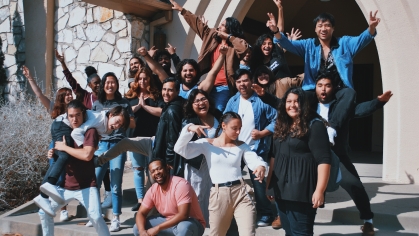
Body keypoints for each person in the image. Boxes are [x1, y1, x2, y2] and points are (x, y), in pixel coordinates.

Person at [268, 8, 381, 145]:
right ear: (315, 29)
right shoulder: (308, 45)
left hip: (338, 88)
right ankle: (295, 132)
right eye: (320, 26)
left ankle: (332, 128)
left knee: (350, 93)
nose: (323, 28)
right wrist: (275, 31)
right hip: (313, 87)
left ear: (333, 28)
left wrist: (371, 28)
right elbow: (287, 44)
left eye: (327, 25)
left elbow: (361, 40)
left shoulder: (344, 43)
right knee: (299, 97)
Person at [314, 70, 392, 235]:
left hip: (336, 154)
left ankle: (368, 221)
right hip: (313, 155)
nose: (323, 89)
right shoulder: (309, 104)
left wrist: (378, 102)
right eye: (320, 85)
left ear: (334, 88)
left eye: (327, 86)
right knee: (301, 184)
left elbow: (361, 109)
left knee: (355, 185)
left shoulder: (341, 105)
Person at [174, 112, 268, 236]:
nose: (238, 132)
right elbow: (180, 149)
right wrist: (189, 128)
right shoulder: (207, 144)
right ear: (223, 126)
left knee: (248, 233)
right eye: (234, 128)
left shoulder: (241, 145)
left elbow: (254, 160)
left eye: (240, 129)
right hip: (219, 194)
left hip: (241, 192)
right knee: (217, 234)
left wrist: (260, 166)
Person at [35, 105, 130, 216]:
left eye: (120, 125)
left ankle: (43, 196)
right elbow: (76, 133)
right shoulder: (99, 120)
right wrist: (85, 148)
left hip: (64, 125)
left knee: (61, 157)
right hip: (61, 125)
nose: (117, 126)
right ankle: (46, 192)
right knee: (64, 156)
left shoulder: (107, 128)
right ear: (111, 114)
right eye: (117, 121)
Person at [38, 100, 110, 236]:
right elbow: (59, 155)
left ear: (83, 114)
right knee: (43, 213)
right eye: (71, 116)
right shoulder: (63, 131)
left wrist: (65, 148)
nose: (74, 119)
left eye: (77, 115)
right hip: (64, 186)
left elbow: (87, 155)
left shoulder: (90, 131)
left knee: (96, 217)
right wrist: (52, 154)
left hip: (87, 184)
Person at [266, 87, 331, 235]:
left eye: (297, 101)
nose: (292, 105)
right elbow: (274, 156)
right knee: (289, 232)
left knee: (301, 233)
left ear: (304, 104)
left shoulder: (315, 125)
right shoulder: (281, 125)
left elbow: (324, 160)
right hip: (281, 189)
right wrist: (269, 184)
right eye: (289, 101)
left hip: (301, 191)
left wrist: (320, 190)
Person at [96, 77, 185, 177]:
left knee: (154, 184)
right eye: (164, 89)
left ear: (177, 91)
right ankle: (97, 161)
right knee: (125, 143)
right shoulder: (170, 105)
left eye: (170, 90)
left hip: (159, 149)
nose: (166, 93)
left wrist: (169, 161)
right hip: (155, 142)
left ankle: (97, 161)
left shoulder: (172, 110)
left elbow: (173, 139)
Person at [170, 0, 249, 111]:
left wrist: (228, 37)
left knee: (217, 110)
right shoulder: (212, 36)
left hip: (224, 87)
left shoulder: (234, 44)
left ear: (229, 29)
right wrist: (182, 10)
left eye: (222, 25)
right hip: (208, 84)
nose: (219, 27)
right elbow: (198, 24)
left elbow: (244, 48)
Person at [224, 69, 277, 227]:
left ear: (252, 82)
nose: (242, 84)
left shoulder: (261, 100)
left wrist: (263, 133)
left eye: (245, 81)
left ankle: (266, 214)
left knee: (259, 184)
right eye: (239, 81)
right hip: (235, 149)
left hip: (256, 149)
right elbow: (224, 122)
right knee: (230, 182)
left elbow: (277, 118)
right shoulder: (233, 101)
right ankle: (231, 214)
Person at [23, 65, 73, 222]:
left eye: (71, 94)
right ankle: (55, 206)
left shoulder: (75, 112)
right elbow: (39, 95)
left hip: (67, 145)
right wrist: (30, 78)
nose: (70, 96)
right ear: (61, 97)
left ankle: (58, 206)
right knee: (55, 174)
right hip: (55, 144)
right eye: (67, 94)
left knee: (64, 177)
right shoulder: (54, 109)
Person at [88, 72, 135, 232]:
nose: (110, 85)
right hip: (101, 145)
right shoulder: (97, 103)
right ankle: (94, 215)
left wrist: (121, 122)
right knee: (95, 181)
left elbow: (132, 123)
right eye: (107, 82)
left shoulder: (123, 103)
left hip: (118, 145)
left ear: (116, 84)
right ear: (103, 85)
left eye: (113, 82)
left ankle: (116, 217)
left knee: (115, 183)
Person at [125, 67, 164, 211]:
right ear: (136, 80)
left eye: (145, 78)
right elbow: (124, 113)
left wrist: (145, 106)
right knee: (138, 169)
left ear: (149, 80)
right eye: (140, 78)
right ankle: (141, 200)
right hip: (135, 138)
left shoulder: (155, 96)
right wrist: (138, 106)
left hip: (152, 138)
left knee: (153, 169)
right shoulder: (130, 96)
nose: (142, 81)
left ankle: (154, 198)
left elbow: (161, 112)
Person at [133, 158, 206, 236]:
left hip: (191, 223)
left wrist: (158, 228)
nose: (157, 173)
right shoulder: (153, 190)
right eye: (153, 171)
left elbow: (183, 215)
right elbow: (141, 213)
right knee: (137, 227)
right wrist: (142, 231)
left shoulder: (181, 185)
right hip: (168, 222)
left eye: (159, 169)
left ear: (167, 168)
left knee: (184, 228)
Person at [182, 89, 222, 225]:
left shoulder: (218, 115)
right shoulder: (190, 121)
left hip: (216, 162)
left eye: (203, 99)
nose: (201, 103)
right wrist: (190, 128)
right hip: (197, 165)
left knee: (214, 194)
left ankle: (213, 223)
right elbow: (183, 139)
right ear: (192, 105)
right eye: (196, 101)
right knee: (197, 194)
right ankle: (199, 224)